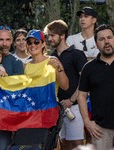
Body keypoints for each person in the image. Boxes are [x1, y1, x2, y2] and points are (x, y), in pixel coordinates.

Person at [44, 20, 87, 150]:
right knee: (63, 145)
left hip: (75, 108)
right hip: (58, 109)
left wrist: (72, 100)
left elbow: (85, 81)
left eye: (52, 35)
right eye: (48, 36)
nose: (49, 39)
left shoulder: (77, 54)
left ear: (62, 35)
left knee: (77, 145)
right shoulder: (51, 57)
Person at [78, 24, 114, 150]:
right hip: (100, 130)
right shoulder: (89, 68)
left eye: (109, 37)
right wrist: (87, 121)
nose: (106, 42)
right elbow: (81, 96)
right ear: (96, 44)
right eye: (101, 39)